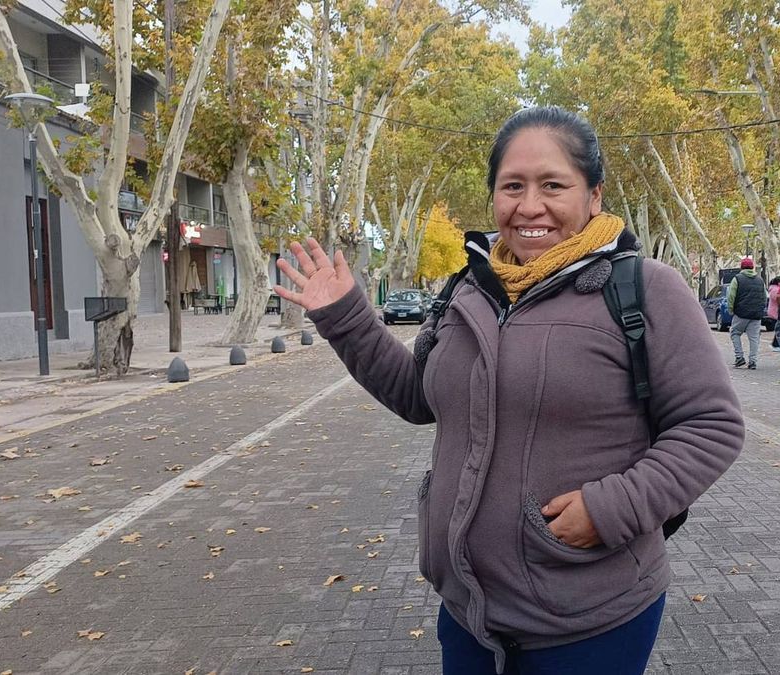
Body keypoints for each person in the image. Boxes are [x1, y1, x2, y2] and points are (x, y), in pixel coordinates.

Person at [274, 106, 745, 675]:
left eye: (553, 185)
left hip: (589, 616)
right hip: (468, 611)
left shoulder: (647, 290)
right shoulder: (469, 290)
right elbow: (416, 397)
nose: (529, 206)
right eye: (512, 186)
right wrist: (346, 317)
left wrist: (609, 507)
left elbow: (711, 427)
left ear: (593, 195)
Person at [726, 257, 767, 369]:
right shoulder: (760, 280)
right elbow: (764, 297)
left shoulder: (737, 279)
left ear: (741, 267)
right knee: (754, 338)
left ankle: (739, 357)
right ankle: (753, 361)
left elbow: (731, 296)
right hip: (756, 314)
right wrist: (761, 309)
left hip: (741, 313)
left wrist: (731, 310)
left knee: (735, 333)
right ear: (752, 267)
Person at [766, 276, 780, 351]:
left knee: (779, 328)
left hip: (775, 311)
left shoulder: (774, 288)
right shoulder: (775, 289)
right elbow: (777, 299)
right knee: (779, 329)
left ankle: (776, 344)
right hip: (775, 312)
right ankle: (775, 344)